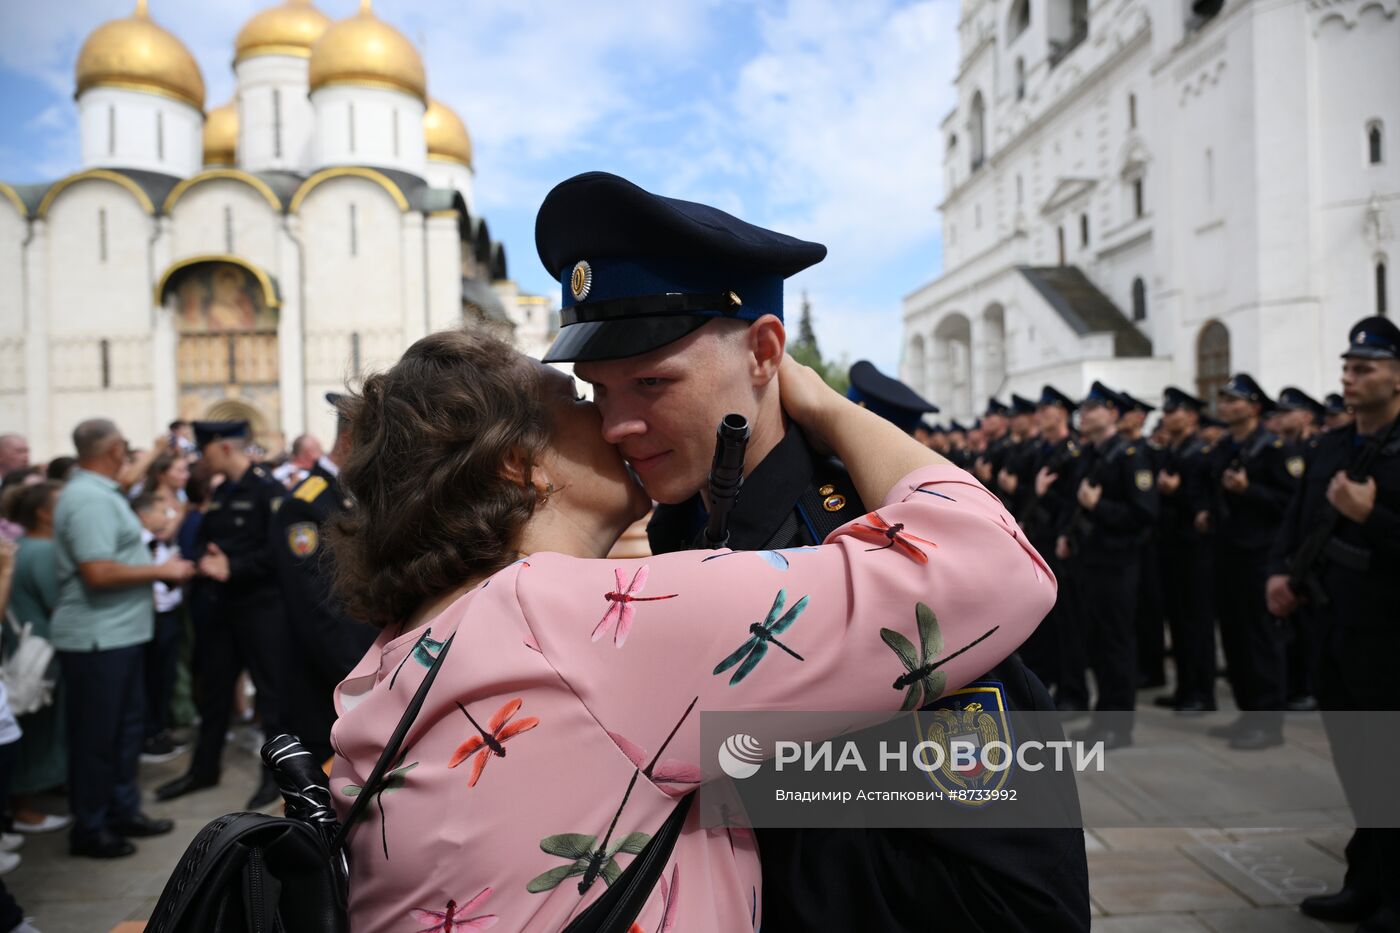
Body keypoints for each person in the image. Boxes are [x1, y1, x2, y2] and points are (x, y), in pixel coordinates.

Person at [326, 327, 1054, 932]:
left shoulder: (407, 645)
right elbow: (991, 563)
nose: (612, 423)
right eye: (579, 398)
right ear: (521, 465)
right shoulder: (576, 622)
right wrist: (828, 407)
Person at [545, 172, 1087, 931]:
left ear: (764, 353)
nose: (616, 425)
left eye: (651, 381)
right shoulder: (683, 520)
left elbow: (1018, 899)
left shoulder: (865, 541)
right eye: (599, 391)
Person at [1269, 316, 1400, 933]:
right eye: (1347, 367)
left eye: (1365, 368)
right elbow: (1295, 520)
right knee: (1360, 765)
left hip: (1388, 633)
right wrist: (1278, 573)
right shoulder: (1331, 446)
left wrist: (1373, 517)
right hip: (1332, 627)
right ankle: (1365, 882)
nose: (1350, 377)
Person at [51, 419, 193, 858]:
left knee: (125, 731)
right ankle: (91, 827)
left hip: (120, 633)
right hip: (97, 638)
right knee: (98, 737)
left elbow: (130, 480)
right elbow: (97, 571)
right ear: (114, 450)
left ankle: (121, 810)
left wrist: (152, 454)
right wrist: (161, 570)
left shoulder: (101, 491)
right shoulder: (88, 498)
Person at [157, 421, 291, 809]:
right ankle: (204, 769)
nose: (201, 459)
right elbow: (203, 540)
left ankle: (276, 777)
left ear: (224, 447)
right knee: (214, 693)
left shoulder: (268, 490)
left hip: (261, 610)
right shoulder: (222, 492)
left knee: (271, 699)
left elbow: (281, 553)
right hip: (223, 610)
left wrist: (234, 566)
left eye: (206, 451)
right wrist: (206, 558)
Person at [271, 395, 377, 765]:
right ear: (349, 440)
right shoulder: (306, 503)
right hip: (332, 673)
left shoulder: (360, 493)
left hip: (366, 660)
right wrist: (357, 674)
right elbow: (317, 604)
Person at [1057, 382, 1158, 749]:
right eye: (1083, 408)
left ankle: (1118, 725)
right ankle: (1102, 719)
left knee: (1116, 644)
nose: (1084, 415)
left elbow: (1144, 513)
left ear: (1113, 413)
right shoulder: (1093, 454)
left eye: (1093, 408)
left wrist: (1099, 506)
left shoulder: (1131, 455)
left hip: (1118, 563)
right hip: (1090, 560)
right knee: (1098, 643)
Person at [1205, 374, 1300, 750]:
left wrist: (1250, 491)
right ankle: (1249, 712)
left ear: (1255, 407)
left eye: (1235, 401)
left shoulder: (1275, 449)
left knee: (1261, 638)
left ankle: (1269, 722)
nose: (1226, 406)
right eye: (1225, 400)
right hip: (1227, 553)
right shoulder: (1226, 446)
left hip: (1260, 555)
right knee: (1235, 637)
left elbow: (1291, 505)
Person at [4, 481, 72, 833]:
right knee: (38, 728)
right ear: (44, 514)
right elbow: (56, 604)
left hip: (25, 645)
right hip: (41, 651)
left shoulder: (24, 546)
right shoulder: (43, 551)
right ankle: (24, 806)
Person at [1152, 387, 1219, 714]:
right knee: (1178, 621)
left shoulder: (1201, 453)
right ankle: (1185, 687)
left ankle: (1202, 692)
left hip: (1194, 550)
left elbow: (1206, 505)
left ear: (1191, 416)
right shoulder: (1172, 451)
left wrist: (1176, 492)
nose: (1166, 416)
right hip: (1172, 547)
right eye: (1165, 411)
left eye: (1173, 411)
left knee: (1197, 622)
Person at [1020, 385, 1083, 705]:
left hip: (1062, 544)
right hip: (1039, 539)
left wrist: (1043, 493)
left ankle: (1073, 690)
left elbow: (1073, 503)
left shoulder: (1073, 452)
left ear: (1062, 414)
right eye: (1039, 410)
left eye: (1047, 410)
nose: (1040, 415)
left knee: (1068, 623)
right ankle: (1048, 680)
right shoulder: (1041, 451)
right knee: (1044, 622)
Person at [131, 494, 187, 763]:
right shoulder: (139, 544)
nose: (166, 517)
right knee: (154, 677)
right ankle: (150, 735)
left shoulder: (159, 540)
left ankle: (160, 729)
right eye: (160, 511)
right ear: (143, 516)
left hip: (169, 612)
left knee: (165, 676)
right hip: (154, 616)